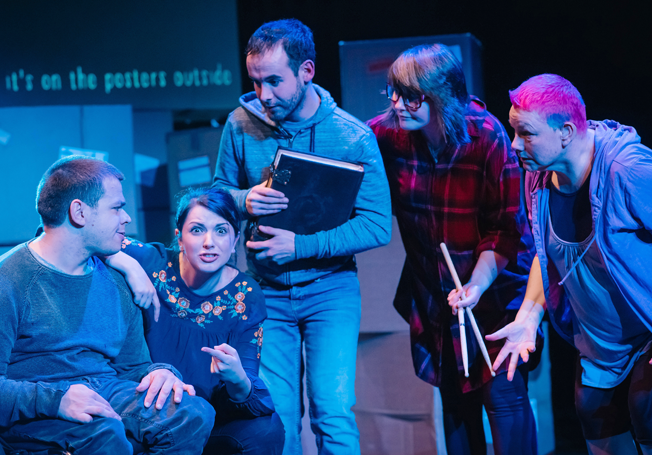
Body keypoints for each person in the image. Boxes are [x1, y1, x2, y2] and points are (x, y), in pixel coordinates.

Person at [212, 18, 392, 455]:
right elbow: (216, 197)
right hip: (266, 293)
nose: (264, 95)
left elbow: (376, 224)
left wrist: (301, 246)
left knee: (332, 411)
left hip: (330, 290)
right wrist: (243, 200)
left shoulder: (352, 137)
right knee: (276, 415)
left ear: (306, 71)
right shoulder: (240, 125)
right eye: (256, 82)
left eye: (274, 81)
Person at [0, 156, 215, 454]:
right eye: (117, 207)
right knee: (104, 432)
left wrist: (159, 373)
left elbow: (134, 366)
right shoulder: (4, 281)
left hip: (105, 390)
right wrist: (57, 399)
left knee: (192, 413)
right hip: (39, 405)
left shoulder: (118, 279)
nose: (126, 218)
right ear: (79, 212)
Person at [367, 44, 538, 455]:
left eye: (409, 95)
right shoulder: (387, 134)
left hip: (495, 295)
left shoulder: (488, 137)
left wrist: (476, 285)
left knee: (504, 402)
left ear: (441, 95)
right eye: (392, 91)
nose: (397, 103)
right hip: (436, 299)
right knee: (457, 412)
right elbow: (343, 148)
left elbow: (505, 231)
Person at [488, 73, 652, 455]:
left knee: (645, 406)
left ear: (565, 131)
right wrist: (529, 314)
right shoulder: (538, 179)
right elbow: (548, 257)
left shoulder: (626, 170)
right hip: (601, 345)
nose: (514, 144)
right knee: (591, 413)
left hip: (646, 333)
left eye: (525, 133)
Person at [105, 187, 285, 455]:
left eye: (221, 231)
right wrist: (127, 264)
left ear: (235, 239)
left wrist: (237, 378)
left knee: (266, 430)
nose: (209, 242)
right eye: (197, 230)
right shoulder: (152, 262)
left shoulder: (246, 295)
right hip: (154, 407)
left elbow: (245, 384)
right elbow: (71, 238)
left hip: (213, 414)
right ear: (179, 238)